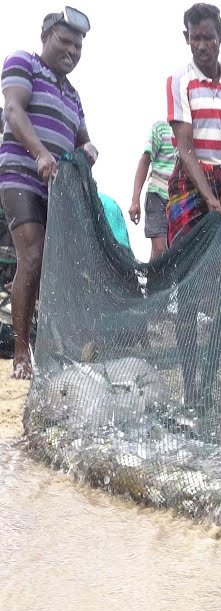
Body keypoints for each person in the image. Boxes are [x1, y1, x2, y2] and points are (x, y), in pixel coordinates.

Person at [166, 2, 221, 408]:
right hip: (190, 184)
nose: (203, 45)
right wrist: (208, 197)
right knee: (187, 285)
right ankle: (189, 388)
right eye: (195, 37)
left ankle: (208, 379)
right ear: (187, 39)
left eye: (210, 36)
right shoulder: (178, 82)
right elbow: (184, 146)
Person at [1, 6, 96, 379]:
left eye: (78, 46)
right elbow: (13, 109)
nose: (71, 51)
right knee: (33, 254)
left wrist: (90, 150)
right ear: (45, 37)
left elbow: (84, 139)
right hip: (19, 175)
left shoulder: (73, 94)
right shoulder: (23, 62)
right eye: (65, 41)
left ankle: (45, 345)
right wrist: (40, 152)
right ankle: (20, 354)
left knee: (47, 270)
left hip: (57, 189)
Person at [128, 120, 177, 260]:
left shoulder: (192, 131)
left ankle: (160, 280)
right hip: (158, 195)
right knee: (160, 250)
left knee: (179, 250)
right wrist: (135, 200)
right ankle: (155, 281)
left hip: (181, 199)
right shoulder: (161, 128)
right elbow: (145, 161)